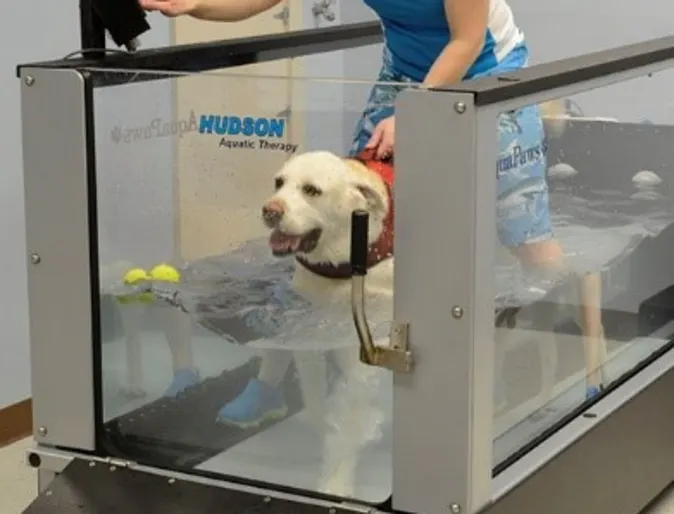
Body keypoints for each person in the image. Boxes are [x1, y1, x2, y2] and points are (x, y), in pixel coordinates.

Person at [139, 0, 607, 426]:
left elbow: (466, 40)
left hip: (488, 72)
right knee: (336, 226)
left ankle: (593, 361)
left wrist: (416, 112)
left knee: (529, 243)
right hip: (404, 74)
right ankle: (270, 383)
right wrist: (195, 5)